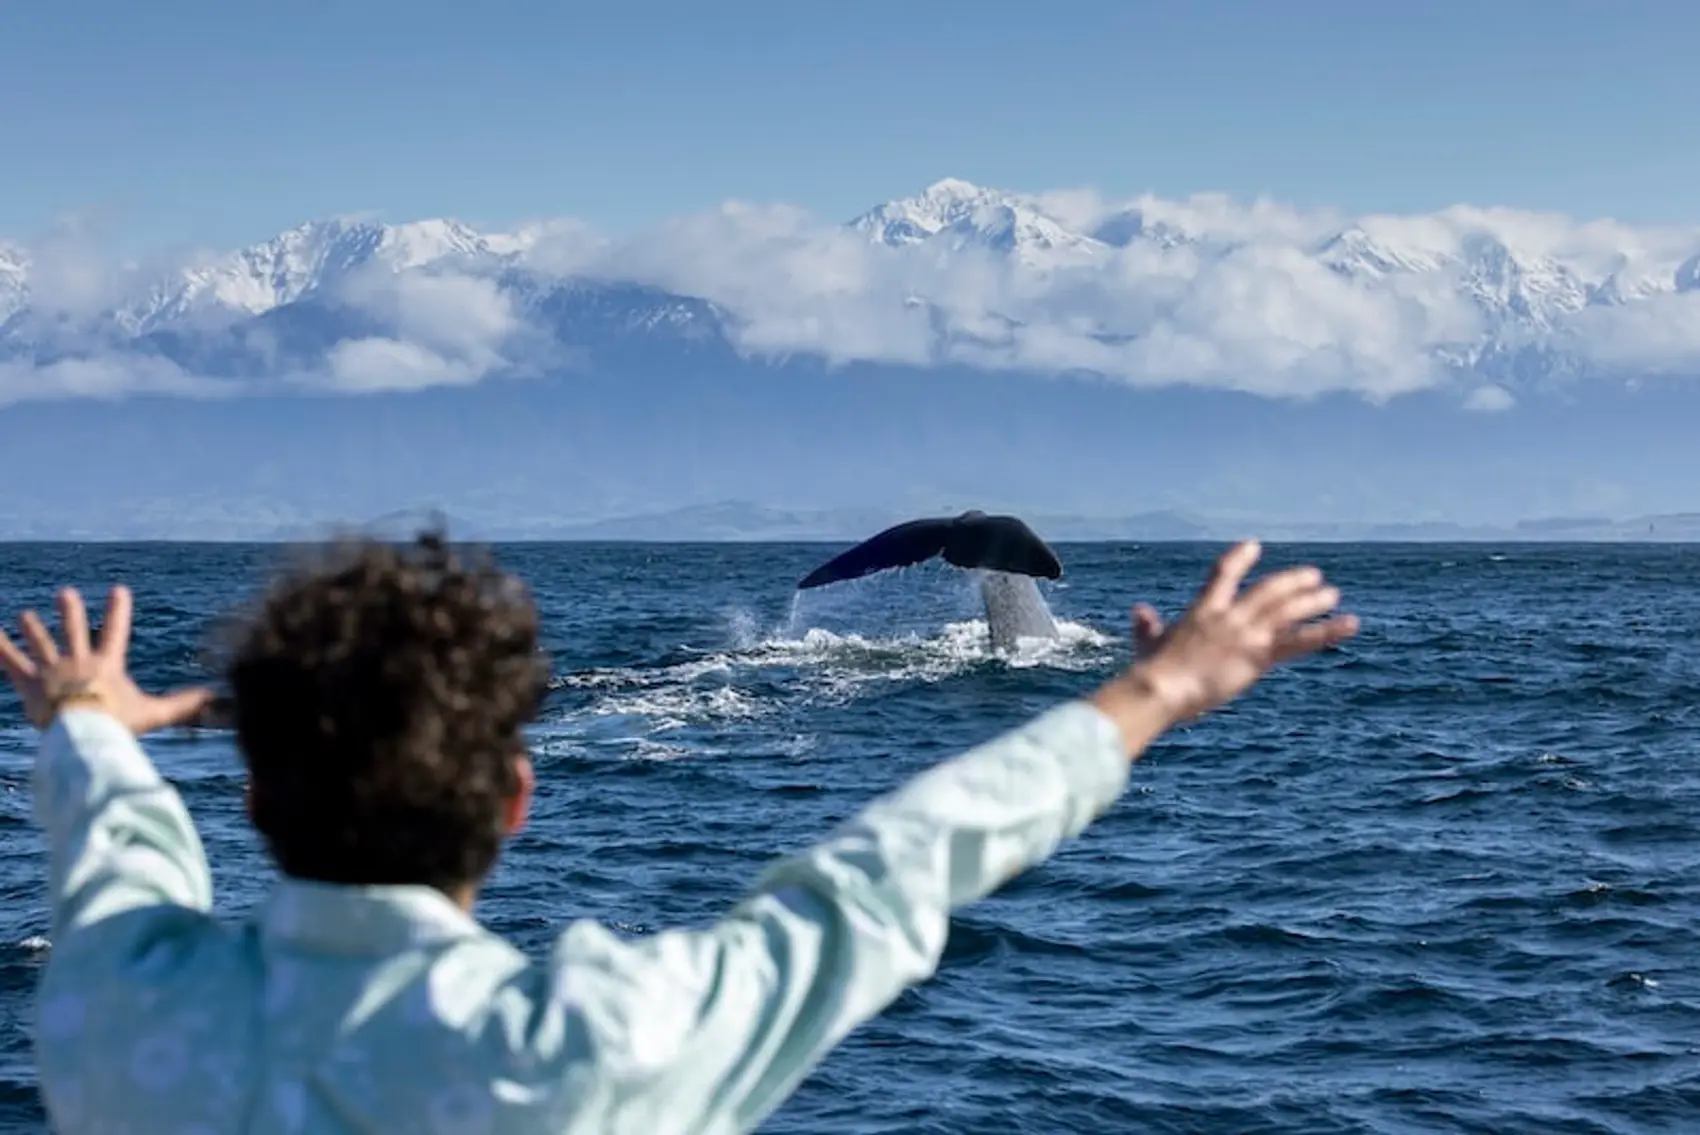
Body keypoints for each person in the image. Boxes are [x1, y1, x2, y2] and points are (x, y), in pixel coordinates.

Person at [2, 531, 1357, 1134]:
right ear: (514, 796)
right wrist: (1163, 687)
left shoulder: (118, 1009)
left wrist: (87, 718)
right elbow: (890, 866)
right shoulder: (589, 1045)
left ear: (249, 797)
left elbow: (120, 862)